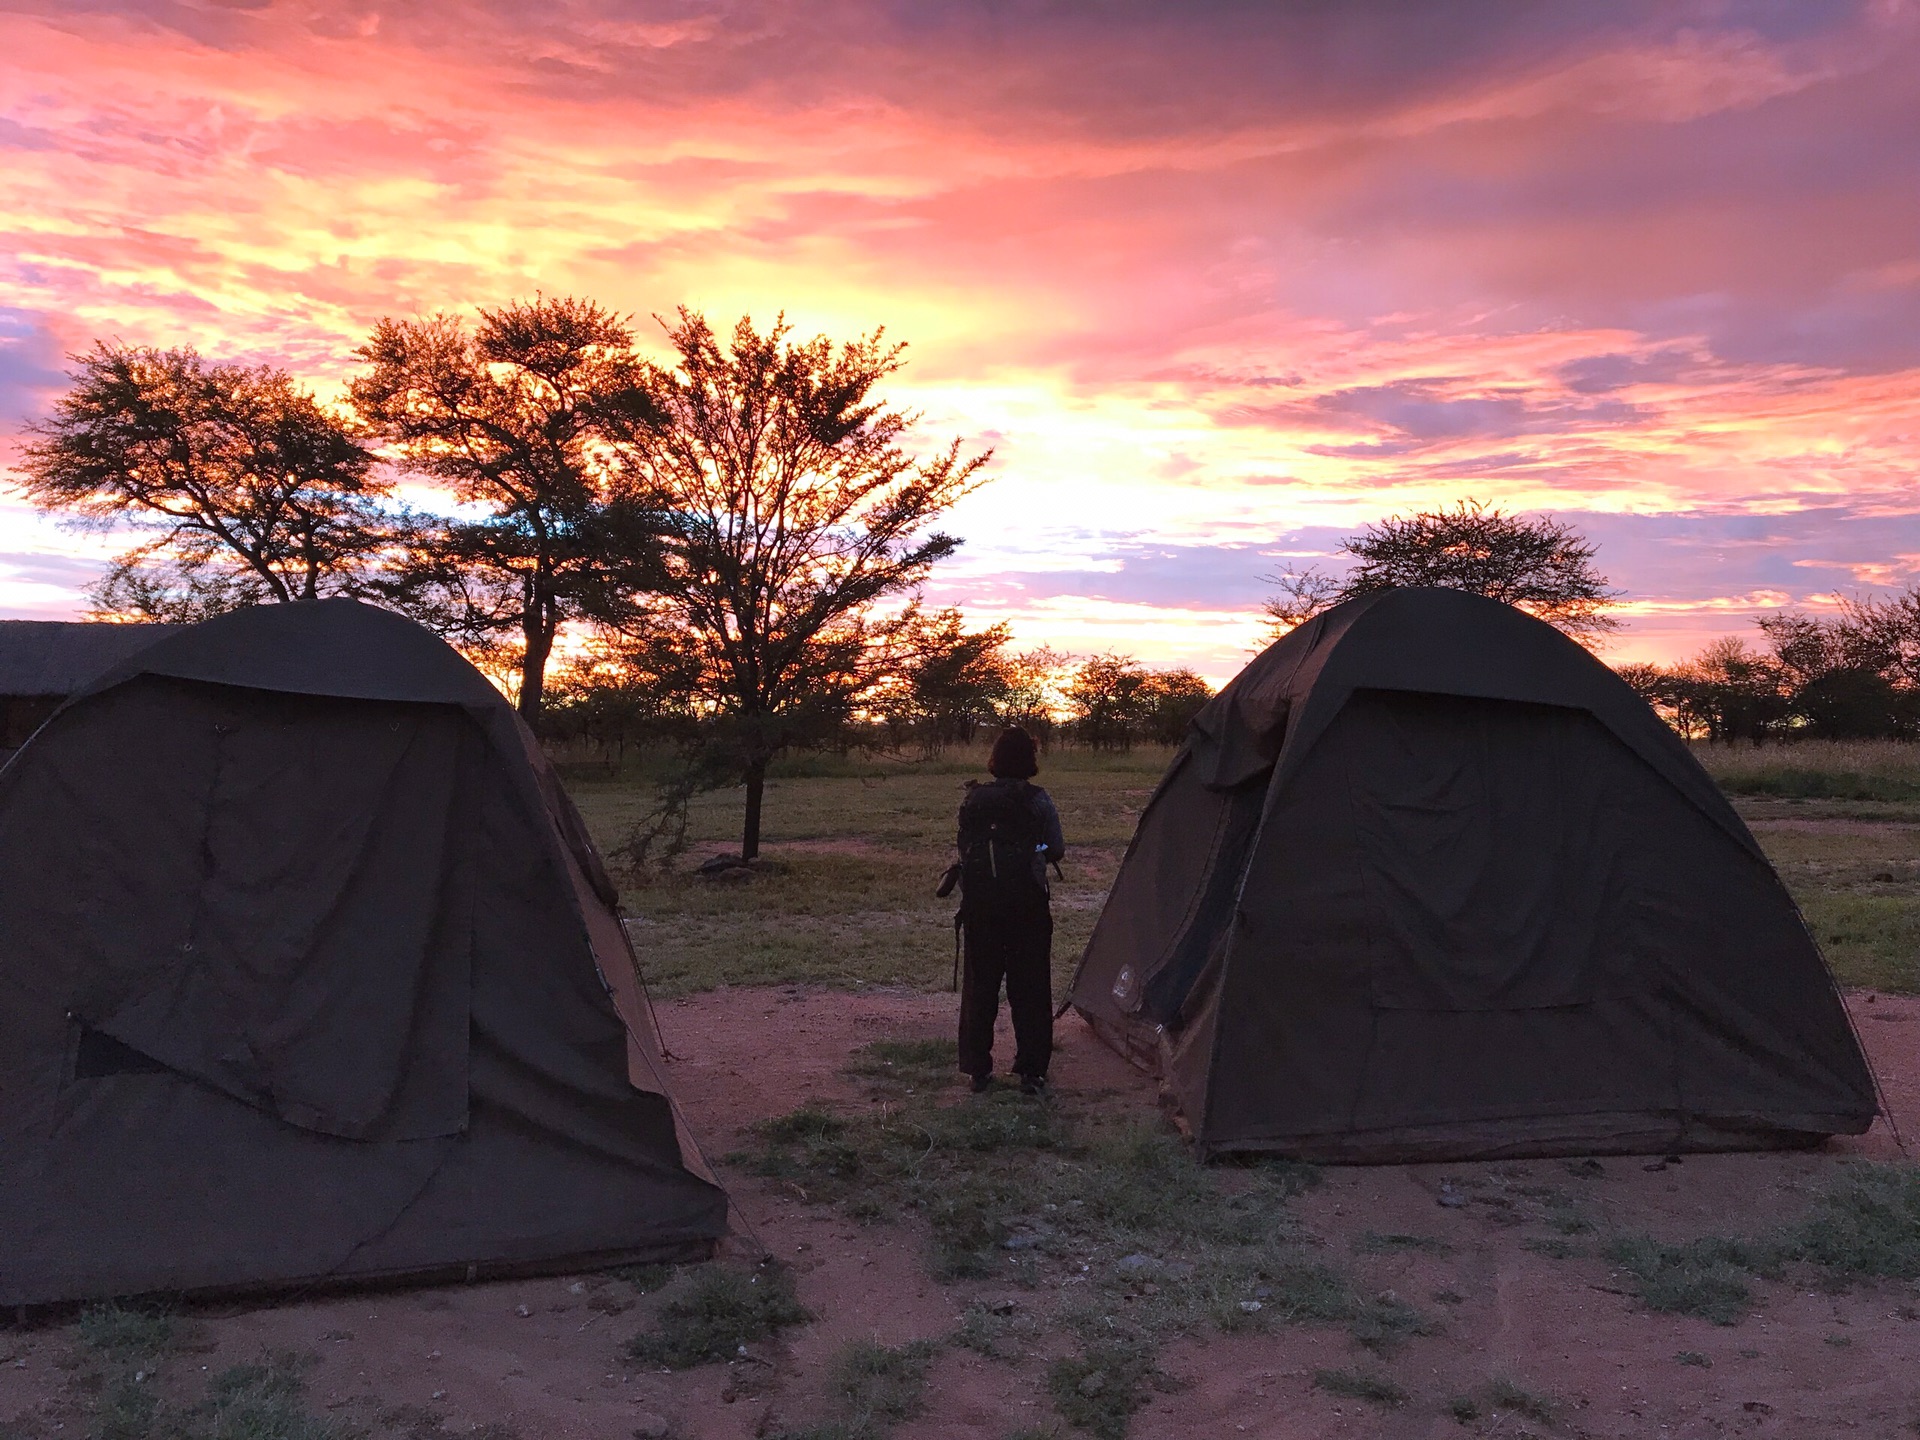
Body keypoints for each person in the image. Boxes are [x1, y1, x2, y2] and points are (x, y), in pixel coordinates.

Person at [953, 725, 1065, 1095]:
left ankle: (977, 1069)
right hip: (1028, 906)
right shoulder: (1037, 799)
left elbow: (964, 849)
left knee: (980, 984)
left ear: (995, 759)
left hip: (980, 906)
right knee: (1030, 986)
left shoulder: (973, 800)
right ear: (1030, 760)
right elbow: (1057, 849)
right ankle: (1031, 1070)